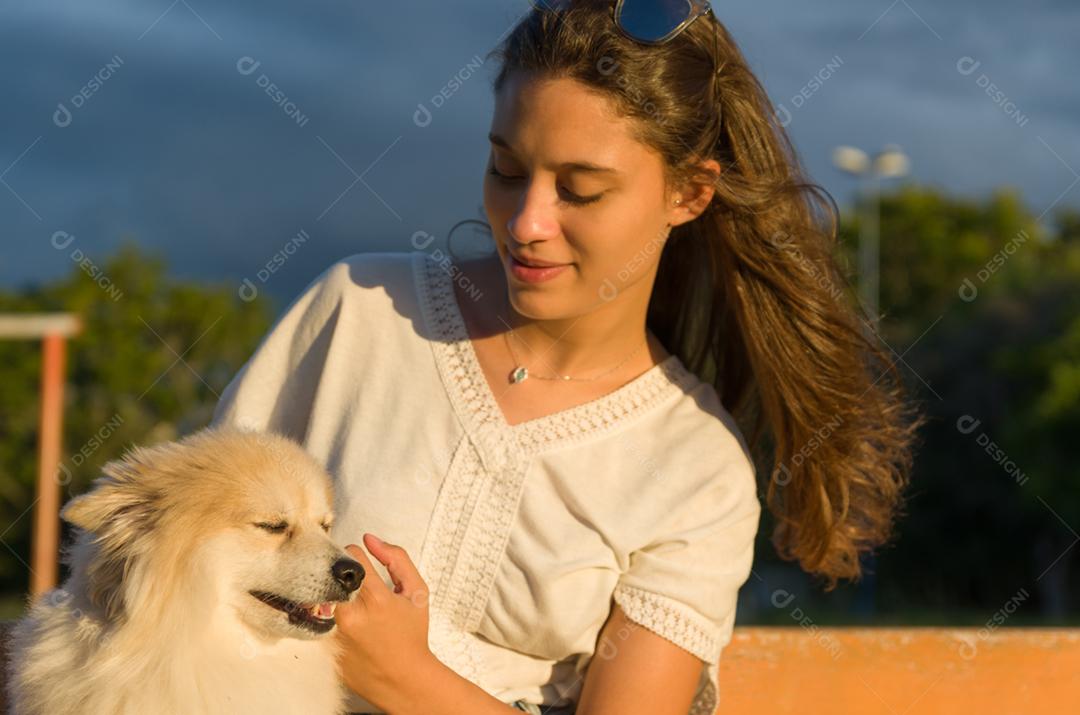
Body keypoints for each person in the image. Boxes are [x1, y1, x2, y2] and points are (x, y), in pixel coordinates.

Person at [210, 1, 923, 713]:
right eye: (507, 169)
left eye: (580, 189)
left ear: (690, 192)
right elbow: (179, 560)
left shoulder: (698, 470)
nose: (527, 223)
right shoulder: (357, 310)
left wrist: (401, 675)